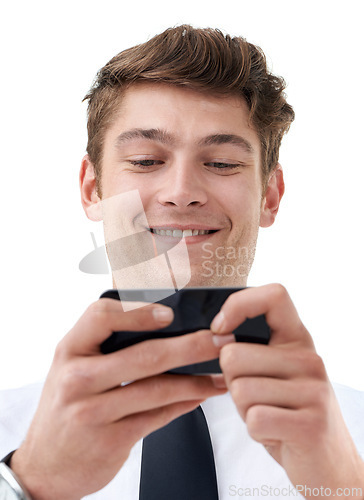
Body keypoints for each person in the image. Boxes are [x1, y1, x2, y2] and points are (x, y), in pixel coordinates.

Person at [1, 25, 363, 499]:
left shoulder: (349, 439)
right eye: (147, 161)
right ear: (93, 190)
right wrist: (29, 484)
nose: (181, 194)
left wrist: (343, 487)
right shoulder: (13, 441)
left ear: (270, 196)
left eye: (223, 163)